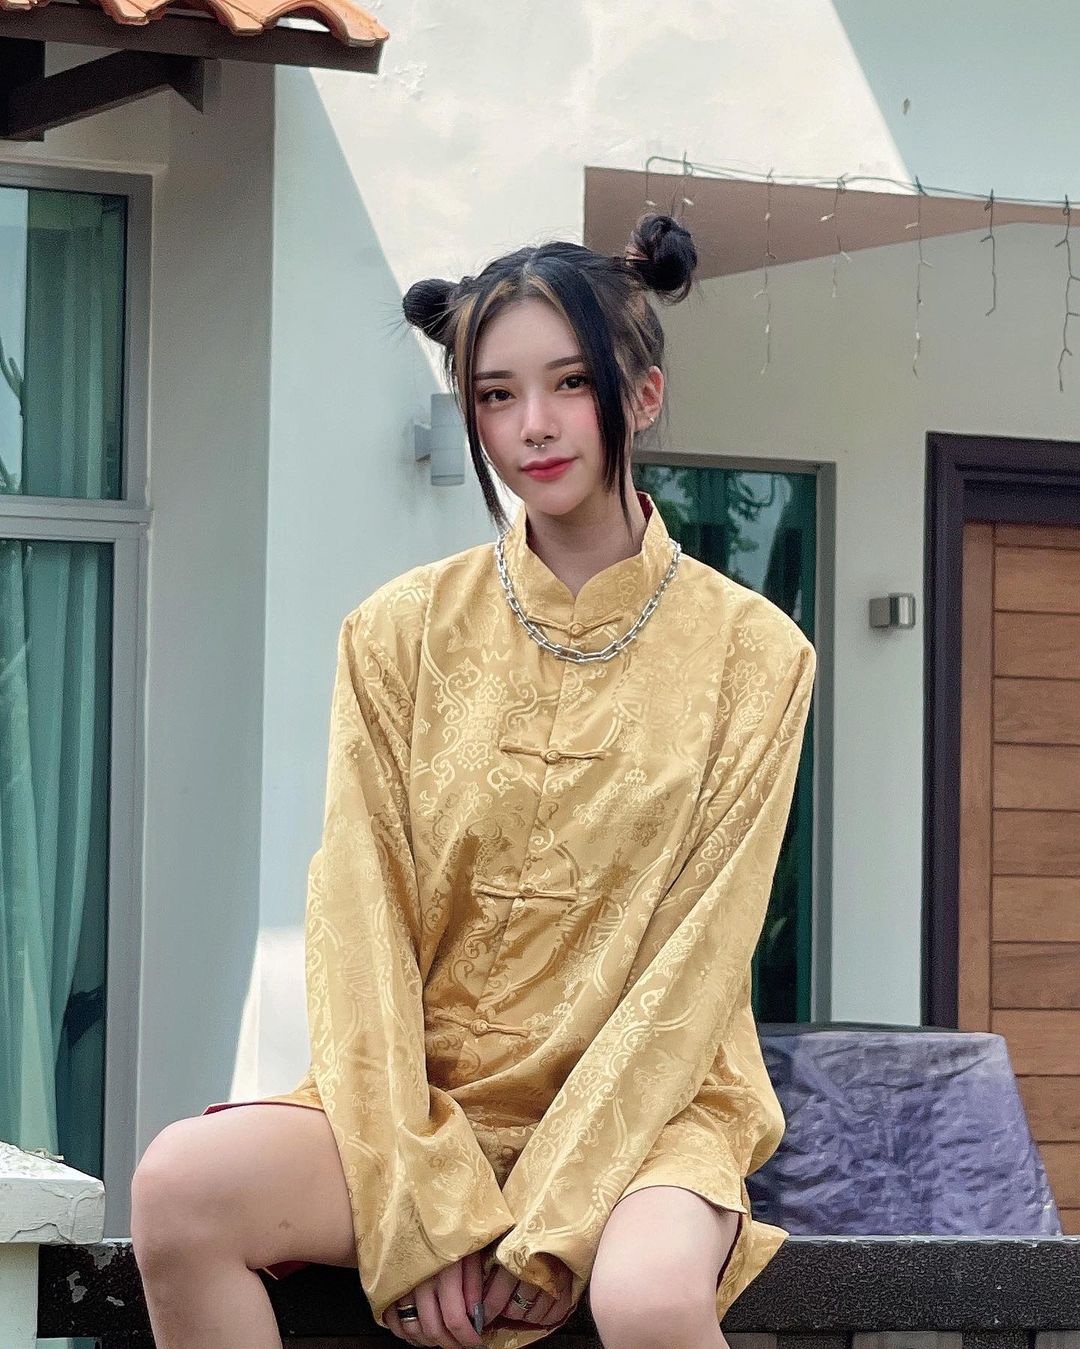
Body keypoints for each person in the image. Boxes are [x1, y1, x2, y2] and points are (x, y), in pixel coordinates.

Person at [129, 212, 816, 1349]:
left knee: (649, 1294)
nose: (532, 424)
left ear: (642, 395)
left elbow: (696, 962)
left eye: (569, 384)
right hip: (417, 1104)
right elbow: (358, 912)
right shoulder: (396, 632)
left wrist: (553, 1216)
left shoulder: (756, 655)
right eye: (496, 395)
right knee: (180, 1188)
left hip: (650, 1116)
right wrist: (423, 1201)